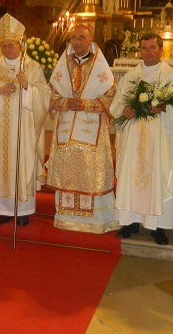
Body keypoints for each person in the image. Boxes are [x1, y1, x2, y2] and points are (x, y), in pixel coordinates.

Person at [110, 34, 173, 244]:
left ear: (161, 50)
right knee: (131, 178)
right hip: (133, 139)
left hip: (160, 140)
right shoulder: (131, 76)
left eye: (152, 47)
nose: (148, 52)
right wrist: (124, 109)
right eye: (144, 48)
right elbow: (116, 103)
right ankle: (129, 222)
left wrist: (164, 107)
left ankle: (159, 226)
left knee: (158, 179)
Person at [45, 24, 119, 233]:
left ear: (90, 39)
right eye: (74, 37)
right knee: (68, 169)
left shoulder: (100, 65)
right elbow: (51, 94)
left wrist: (87, 104)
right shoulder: (63, 64)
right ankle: (66, 218)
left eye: (82, 37)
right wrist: (64, 103)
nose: (77, 41)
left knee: (91, 169)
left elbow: (111, 97)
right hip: (67, 128)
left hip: (91, 127)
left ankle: (97, 220)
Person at [0, 14, 50, 226]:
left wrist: (28, 87)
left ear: (20, 44)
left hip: (23, 128)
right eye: (4, 45)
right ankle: (5, 210)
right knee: (2, 165)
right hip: (0, 127)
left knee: (22, 163)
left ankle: (23, 210)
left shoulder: (32, 67)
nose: (8, 49)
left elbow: (45, 96)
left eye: (11, 45)